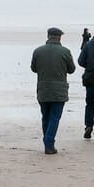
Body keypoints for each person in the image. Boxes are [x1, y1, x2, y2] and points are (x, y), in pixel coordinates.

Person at [30, 27, 75, 155]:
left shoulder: (38, 51)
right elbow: (71, 69)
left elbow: (33, 68)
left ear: (48, 36)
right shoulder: (65, 51)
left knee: (46, 117)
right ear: (59, 37)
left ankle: (47, 142)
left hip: (43, 89)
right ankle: (49, 143)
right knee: (54, 118)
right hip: (59, 90)